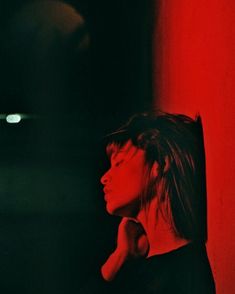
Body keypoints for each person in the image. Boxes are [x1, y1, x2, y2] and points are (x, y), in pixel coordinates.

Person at [98, 111, 216, 294]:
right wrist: (119, 255)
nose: (104, 178)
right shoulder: (146, 272)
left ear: (160, 163)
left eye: (119, 163)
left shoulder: (185, 274)